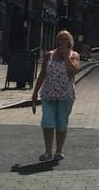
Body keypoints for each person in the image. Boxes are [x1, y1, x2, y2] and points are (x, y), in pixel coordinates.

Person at [32, 30, 79, 161]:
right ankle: (48, 152)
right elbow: (42, 75)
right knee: (47, 122)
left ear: (69, 41)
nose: (61, 42)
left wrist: (66, 56)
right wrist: (35, 93)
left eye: (64, 39)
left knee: (61, 124)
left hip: (65, 96)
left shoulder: (74, 55)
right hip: (48, 94)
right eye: (59, 39)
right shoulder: (49, 55)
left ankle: (59, 151)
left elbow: (74, 71)